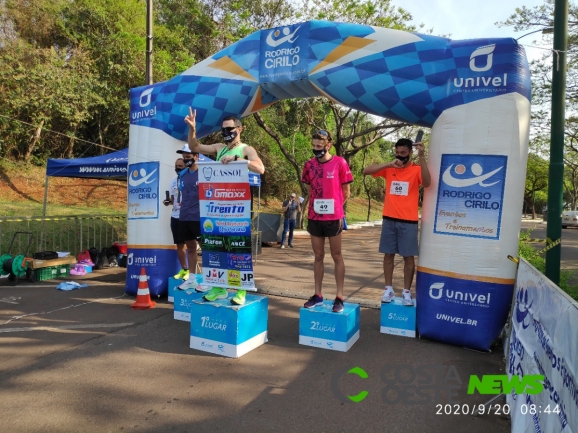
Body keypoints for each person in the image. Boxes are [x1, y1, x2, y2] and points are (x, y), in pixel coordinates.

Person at [184, 108, 265, 305]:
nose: (227, 132)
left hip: (238, 209)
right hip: (217, 208)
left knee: (237, 250)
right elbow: (194, 146)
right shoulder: (220, 147)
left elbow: (260, 168)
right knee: (217, 248)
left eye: (230, 128)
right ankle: (219, 288)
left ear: (240, 129)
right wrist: (192, 129)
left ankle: (240, 291)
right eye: (224, 129)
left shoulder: (246, 149)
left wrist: (239, 160)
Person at [362, 137, 431, 306]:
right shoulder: (389, 168)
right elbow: (366, 171)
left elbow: (428, 183)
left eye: (403, 153)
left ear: (410, 152)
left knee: (408, 258)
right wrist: (388, 165)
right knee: (388, 255)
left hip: (409, 221)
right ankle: (388, 289)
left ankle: (406, 292)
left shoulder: (416, 170)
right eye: (397, 152)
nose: (400, 156)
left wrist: (422, 157)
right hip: (389, 219)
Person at [301, 130, 353, 313]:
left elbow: (346, 192)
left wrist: (336, 208)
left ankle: (339, 297)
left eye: (319, 146)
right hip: (315, 217)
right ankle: (318, 295)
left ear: (328, 145)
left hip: (334, 218)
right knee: (318, 256)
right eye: (314, 146)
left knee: (337, 256)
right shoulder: (309, 165)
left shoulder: (340, 162)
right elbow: (310, 190)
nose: (316, 149)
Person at [173, 146, 206, 290]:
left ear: (196, 156)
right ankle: (192, 278)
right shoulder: (183, 174)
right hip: (184, 216)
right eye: (184, 157)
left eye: (188, 157)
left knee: (206, 249)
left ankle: (208, 280)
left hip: (199, 217)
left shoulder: (204, 173)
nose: (186, 159)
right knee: (191, 247)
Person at [164, 157, 187, 278]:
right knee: (179, 244)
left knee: (192, 244)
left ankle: (195, 273)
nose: (177, 168)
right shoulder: (173, 181)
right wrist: (168, 202)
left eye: (180, 166)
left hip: (187, 216)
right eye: (176, 166)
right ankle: (185, 269)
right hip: (175, 216)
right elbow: (173, 199)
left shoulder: (190, 180)